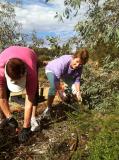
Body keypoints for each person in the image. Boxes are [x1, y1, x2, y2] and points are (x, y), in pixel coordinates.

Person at [0, 46, 40, 143]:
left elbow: (29, 100)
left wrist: (26, 127)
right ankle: (3, 119)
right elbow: (2, 97)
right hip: (7, 54)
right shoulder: (0, 72)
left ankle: (32, 119)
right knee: (5, 93)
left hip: (30, 56)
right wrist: (9, 117)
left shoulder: (31, 72)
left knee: (34, 93)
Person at [41, 48, 89, 118]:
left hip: (65, 74)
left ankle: (78, 106)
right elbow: (57, 81)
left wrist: (78, 92)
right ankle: (48, 108)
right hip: (52, 70)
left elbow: (77, 80)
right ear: (74, 57)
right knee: (53, 87)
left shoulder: (80, 67)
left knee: (75, 89)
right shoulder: (63, 62)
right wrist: (61, 93)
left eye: (80, 63)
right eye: (77, 61)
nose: (77, 65)